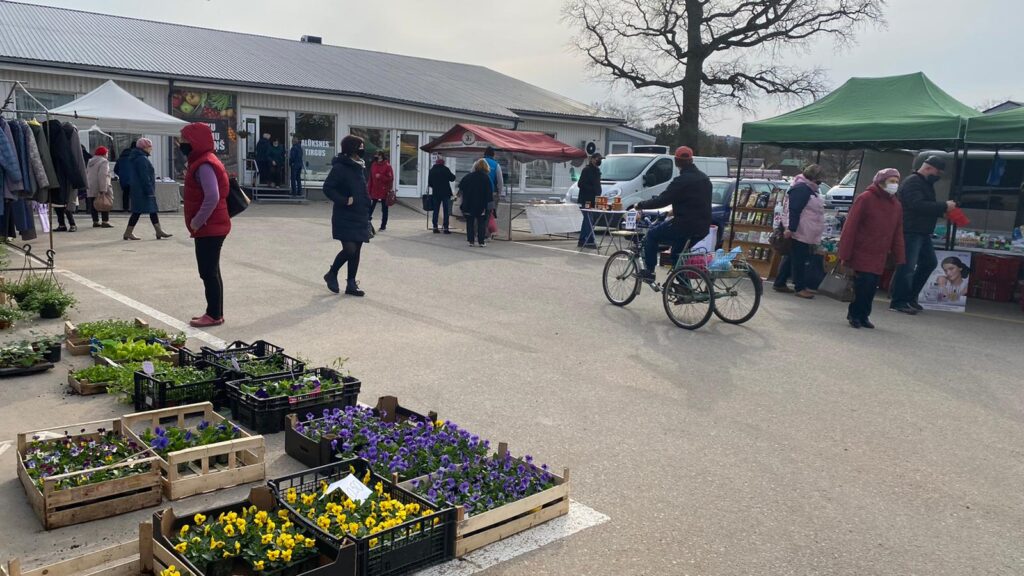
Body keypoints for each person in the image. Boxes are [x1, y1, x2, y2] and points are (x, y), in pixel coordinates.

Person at [839, 168, 906, 329]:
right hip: (862, 250)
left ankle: (864, 315)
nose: (895, 185)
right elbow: (851, 227)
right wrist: (845, 254)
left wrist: (900, 255)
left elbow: (898, 232)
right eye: (892, 181)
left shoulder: (896, 205)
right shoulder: (865, 198)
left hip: (880, 253)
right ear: (882, 182)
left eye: (897, 182)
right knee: (863, 285)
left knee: (871, 287)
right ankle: (855, 314)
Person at [889, 156, 956, 315]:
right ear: (927, 168)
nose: (938, 175)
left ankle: (910, 296)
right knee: (907, 267)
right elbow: (917, 205)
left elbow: (924, 206)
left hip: (921, 230)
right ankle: (899, 300)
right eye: (937, 171)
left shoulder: (924, 183)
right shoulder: (913, 182)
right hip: (910, 230)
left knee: (929, 262)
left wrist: (941, 212)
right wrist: (944, 206)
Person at [180, 122, 231, 328]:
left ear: (194, 141)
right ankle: (215, 312)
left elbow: (212, 196)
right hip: (212, 225)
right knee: (212, 270)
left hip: (209, 227)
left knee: (208, 271)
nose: (180, 144)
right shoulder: (205, 160)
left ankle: (214, 314)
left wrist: (196, 222)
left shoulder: (204, 164)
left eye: (183, 141)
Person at [635, 146, 712, 281]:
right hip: (703, 227)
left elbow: (663, 199)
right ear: (691, 160)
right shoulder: (705, 179)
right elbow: (696, 201)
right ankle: (684, 288)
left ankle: (649, 271)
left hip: (684, 225)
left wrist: (641, 205)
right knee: (677, 254)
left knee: (652, 235)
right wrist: (675, 210)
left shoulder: (681, 181)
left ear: (676, 162)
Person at [322, 135, 371, 297]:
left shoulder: (361, 166)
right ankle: (332, 273)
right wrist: (344, 200)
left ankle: (351, 283)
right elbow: (328, 188)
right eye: (360, 146)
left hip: (360, 215)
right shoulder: (340, 167)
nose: (362, 150)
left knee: (356, 251)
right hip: (344, 215)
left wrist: (368, 214)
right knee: (349, 249)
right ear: (351, 148)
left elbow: (363, 192)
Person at [781, 164, 827, 299]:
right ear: (814, 178)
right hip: (801, 230)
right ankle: (799, 287)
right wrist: (791, 228)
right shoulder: (802, 189)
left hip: (804, 229)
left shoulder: (807, 188)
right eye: (819, 180)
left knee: (792, 257)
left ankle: (780, 282)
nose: (820, 183)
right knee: (799, 259)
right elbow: (794, 210)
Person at [122, 138, 172, 241]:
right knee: (139, 211)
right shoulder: (142, 159)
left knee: (149, 210)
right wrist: (149, 189)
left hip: (138, 189)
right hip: (143, 190)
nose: (151, 149)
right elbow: (144, 176)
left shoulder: (137, 158)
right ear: (144, 148)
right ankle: (129, 232)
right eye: (150, 147)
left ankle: (158, 231)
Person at [460, 159, 492, 247]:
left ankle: (471, 241)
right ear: (486, 167)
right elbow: (489, 194)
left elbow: (461, 188)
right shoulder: (486, 178)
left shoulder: (468, 176)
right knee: (481, 222)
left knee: (470, 222)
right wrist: (490, 207)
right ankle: (481, 241)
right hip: (481, 205)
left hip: (468, 203)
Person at [577, 153, 602, 248]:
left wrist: (598, 192)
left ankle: (586, 240)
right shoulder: (586, 170)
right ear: (592, 159)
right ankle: (586, 240)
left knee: (589, 220)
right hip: (586, 199)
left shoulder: (597, 170)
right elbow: (580, 184)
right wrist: (592, 189)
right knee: (588, 220)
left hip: (594, 199)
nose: (599, 161)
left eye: (600, 159)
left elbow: (597, 184)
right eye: (597, 159)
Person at [85, 145, 113, 228]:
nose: (107, 155)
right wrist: (103, 189)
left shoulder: (90, 162)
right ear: (104, 153)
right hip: (100, 185)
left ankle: (95, 221)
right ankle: (105, 221)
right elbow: (103, 175)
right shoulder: (104, 162)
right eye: (107, 153)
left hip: (91, 186)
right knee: (105, 203)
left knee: (94, 204)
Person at [368, 150, 394, 231]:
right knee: (371, 207)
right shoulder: (373, 164)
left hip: (384, 190)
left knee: (384, 208)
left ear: (382, 156)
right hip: (374, 189)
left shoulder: (387, 166)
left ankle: (383, 225)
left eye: (378, 155)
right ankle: (366, 222)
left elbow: (390, 178)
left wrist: (381, 176)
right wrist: (368, 189)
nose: (377, 156)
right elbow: (371, 178)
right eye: (376, 154)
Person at [428, 156, 456, 233]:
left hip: (436, 193)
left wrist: (435, 186)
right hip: (445, 193)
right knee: (446, 210)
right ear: (443, 163)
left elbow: (429, 183)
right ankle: (446, 228)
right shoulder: (445, 169)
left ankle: (435, 227)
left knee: (436, 210)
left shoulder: (432, 170)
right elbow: (453, 178)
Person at [114, 141, 135, 211]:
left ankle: (125, 208)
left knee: (125, 193)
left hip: (124, 179)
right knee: (135, 194)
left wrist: (121, 174)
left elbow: (115, 169)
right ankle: (135, 208)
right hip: (134, 178)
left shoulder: (121, 157)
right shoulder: (135, 156)